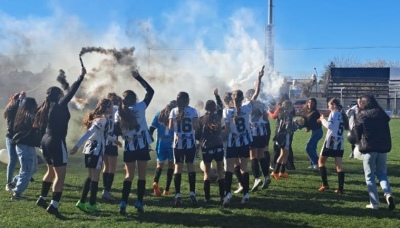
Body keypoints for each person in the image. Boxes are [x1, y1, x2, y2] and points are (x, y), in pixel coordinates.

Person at [35, 66, 86, 215]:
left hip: (46, 140)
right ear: (58, 95)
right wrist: (80, 77)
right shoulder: (59, 104)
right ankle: (54, 205)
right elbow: (71, 93)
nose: (64, 93)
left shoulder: (48, 105)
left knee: (51, 171)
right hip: (56, 141)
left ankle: (42, 198)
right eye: (61, 93)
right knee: (60, 175)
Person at [222, 66, 263, 206]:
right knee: (244, 168)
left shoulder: (227, 112)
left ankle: (227, 195)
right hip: (245, 141)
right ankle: (246, 195)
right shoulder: (246, 107)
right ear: (241, 99)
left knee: (229, 169)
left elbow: (227, 130)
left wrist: (220, 137)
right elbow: (256, 94)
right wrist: (259, 78)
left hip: (232, 143)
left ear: (232, 99)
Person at [72, 98, 120, 212]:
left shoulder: (102, 119)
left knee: (90, 177)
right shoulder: (102, 120)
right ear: (107, 108)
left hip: (90, 149)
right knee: (95, 178)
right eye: (111, 106)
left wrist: (114, 140)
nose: (113, 108)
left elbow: (103, 134)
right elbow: (89, 132)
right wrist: (77, 145)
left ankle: (82, 202)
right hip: (96, 150)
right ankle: (92, 204)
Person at [117, 69, 154, 215]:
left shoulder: (119, 111)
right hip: (142, 145)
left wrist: (124, 136)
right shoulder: (140, 107)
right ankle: (139, 201)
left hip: (129, 147)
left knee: (128, 176)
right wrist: (138, 77)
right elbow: (150, 91)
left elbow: (115, 129)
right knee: (142, 175)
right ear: (135, 99)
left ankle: (123, 202)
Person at [353, 95, 395, 210]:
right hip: (382, 148)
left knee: (369, 177)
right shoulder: (382, 114)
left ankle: (374, 203)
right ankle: (388, 194)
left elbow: (356, 133)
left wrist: (357, 143)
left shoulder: (362, 115)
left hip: (368, 148)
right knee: (382, 174)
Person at [169, 91, 199, 207]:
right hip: (190, 142)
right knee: (190, 166)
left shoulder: (173, 111)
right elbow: (196, 126)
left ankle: (178, 194)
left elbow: (171, 127)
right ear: (188, 100)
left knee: (178, 167)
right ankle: (192, 192)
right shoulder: (193, 111)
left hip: (178, 143)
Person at [196, 88, 225, 203]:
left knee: (207, 172)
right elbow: (221, 106)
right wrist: (217, 96)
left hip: (207, 147)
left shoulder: (201, 119)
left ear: (205, 108)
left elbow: (197, 135)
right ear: (214, 108)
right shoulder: (218, 116)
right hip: (218, 146)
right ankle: (222, 196)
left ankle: (207, 198)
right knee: (220, 171)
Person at [317, 98, 349, 194]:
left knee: (321, 162)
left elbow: (330, 126)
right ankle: (340, 189)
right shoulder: (342, 115)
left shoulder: (333, 113)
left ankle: (325, 184)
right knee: (339, 166)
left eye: (329, 104)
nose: (328, 106)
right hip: (339, 142)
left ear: (334, 105)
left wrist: (322, 119)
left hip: (331, 141)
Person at [10, 97, 39, 199]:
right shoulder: (29, 116)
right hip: (25, 145)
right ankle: (17, 193)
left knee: (33, 168)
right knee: (27, 169)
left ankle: (15, 181)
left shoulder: (21, 115)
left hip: (26, 145)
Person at [149, 100, 177, 197]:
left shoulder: (159, 114)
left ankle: (155, 182)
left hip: (161, 142)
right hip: (171, 142)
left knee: (159, 165)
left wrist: (149, 141)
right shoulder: (176, 115)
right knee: (171, 166)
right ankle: (166, 189)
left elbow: (151, 129)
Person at [245, 89, 271, 192]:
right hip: (263, 131)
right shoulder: (262, 104)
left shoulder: (248, 104)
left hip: (253, 132)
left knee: (253, 156)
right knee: (261, 155)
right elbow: (266, 118)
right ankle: (267, 176)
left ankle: (257, 178)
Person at [101, 93, 122, 201]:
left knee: (106, 166)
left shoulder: (104, 109)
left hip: (104, 141)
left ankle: (105, 189)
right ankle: (107, 191)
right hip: (112, 141)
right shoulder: (117, 109)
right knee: (112, 168)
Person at [270, 100, 296, 179]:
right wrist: (297, 126)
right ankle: (275, 171)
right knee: (283, 154)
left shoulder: (281, 112)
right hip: (284, 136)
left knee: (286, 154)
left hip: (281, 135)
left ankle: (282, 171)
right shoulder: (287, 114)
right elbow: (288, 127)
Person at [4, 92, 24, 191]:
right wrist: (20, 98)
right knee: (12, 160)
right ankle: (8, 182)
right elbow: (17, 106)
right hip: (11, 137)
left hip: (18, 137)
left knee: (21, 160)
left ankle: (20, 177)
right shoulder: (11, 108)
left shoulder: (17, 108)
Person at [304, 98, 322, 169]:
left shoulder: (315, 112)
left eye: (312, 103)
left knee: (308, 147)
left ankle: (317, 162)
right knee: (312, 148)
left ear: (314, 104)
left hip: (317, 132)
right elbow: (309, 122)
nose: (310, 104)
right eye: (309, 102)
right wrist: (308, 128)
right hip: (315, 132)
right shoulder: (309, 111)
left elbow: (313, 123)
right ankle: (312, 164)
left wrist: (306, 126)